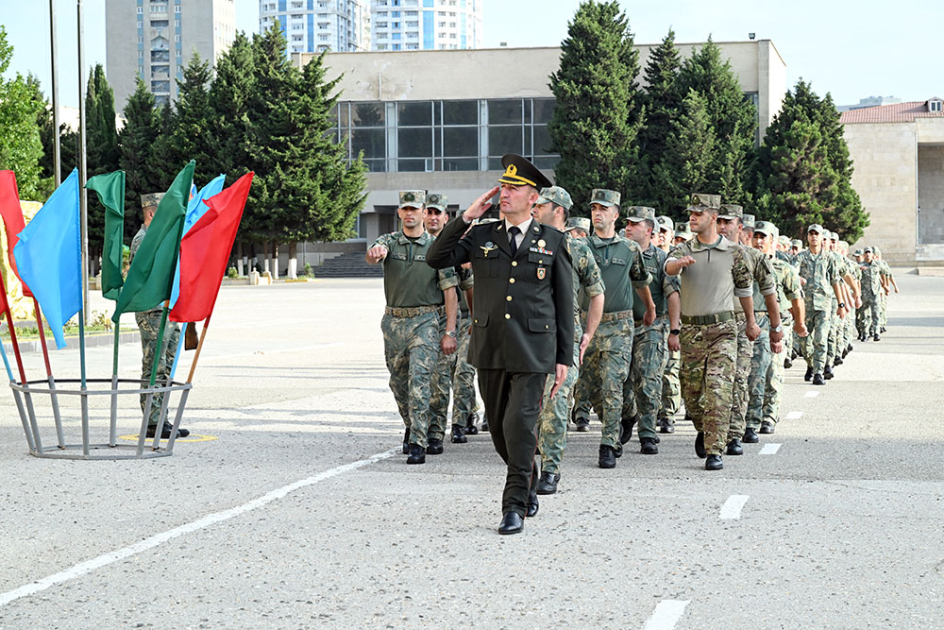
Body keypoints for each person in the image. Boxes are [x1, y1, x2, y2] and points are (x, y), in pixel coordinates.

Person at [427, 154, 573, 535]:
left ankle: (513, 506)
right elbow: (435, 257)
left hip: (534, 350)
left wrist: (563, 357)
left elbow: (564, 303)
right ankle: (528, 475)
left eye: (513, 188)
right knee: (498, 428)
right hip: (490, 346)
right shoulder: (481, 235)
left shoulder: (553, 241)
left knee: (520, 425)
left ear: (533, 198)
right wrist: (466, 218)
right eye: (503, 187)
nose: (504, 194)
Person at [665, 193, 761, 471]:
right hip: (692, 331)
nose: (692, 218)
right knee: (692, 393)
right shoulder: (684, 249)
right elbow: (667, 267)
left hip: (724, 330)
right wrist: (678, 266)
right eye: (690, 214)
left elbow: (744, 291)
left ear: (714, 218)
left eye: (698, 214)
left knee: (719, 390)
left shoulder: (735, 252)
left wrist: (752, 323)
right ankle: (702, 428)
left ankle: (714, 450)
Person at [366, 190, 459, 464]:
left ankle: (418, 441)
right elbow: (373, 256)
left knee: (419, 380)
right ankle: (412, 423)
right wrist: (375, 253)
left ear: (422, 211)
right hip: (393, 322)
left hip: (425, 321)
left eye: (414, 209)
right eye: (404, 209)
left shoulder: (436, 247)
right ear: (399, 213)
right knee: (398, 383)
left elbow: (450, 293)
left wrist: (449, 330)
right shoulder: (389, 242)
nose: (409, 214)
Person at [572, 189, 654, 469]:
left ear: (616, 214)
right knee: (588, 388)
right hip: (587, 325)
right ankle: (627, 414)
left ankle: (608, 443)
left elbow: (640, 281)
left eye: (604, 208)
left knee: (612, 384)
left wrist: (651, 309)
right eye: (594, 208)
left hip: (620, 325)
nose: (598, 213)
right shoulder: (581, 247)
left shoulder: (629, 249)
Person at [531, 186, 604, 494]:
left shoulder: (576, 248)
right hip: (527, 334)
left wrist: (587, 333)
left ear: (557, 210)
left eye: (540, 204)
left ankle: (550, 469)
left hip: (562, 335)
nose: (534, 208)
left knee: (556, 402)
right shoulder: (525, 243)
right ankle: (528, 462)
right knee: (525, 405)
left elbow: (596, 292)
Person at [715, 204, 780, 456]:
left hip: (742, 326)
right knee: (711, 384)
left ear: (739, 227)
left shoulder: (754, 257)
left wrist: (775, 327)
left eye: (728, 222)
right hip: (710, 326)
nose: (722, 226)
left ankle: (733, 434)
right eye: (719, 221)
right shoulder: (704, 254)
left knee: (739, 379)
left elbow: (770, 294)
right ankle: (709, 428)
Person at [621, 206, 679, 455]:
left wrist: (674, 331)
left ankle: (647, 432)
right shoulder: (618, 253)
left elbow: (673, 294)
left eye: (635, 224)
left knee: (648, 380)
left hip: (651, 327)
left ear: (649, 230)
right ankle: (628, 414)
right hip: (620, 326)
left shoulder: (661, 259)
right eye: (627, 223)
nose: (628, 227)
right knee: (619, 380)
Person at [423, 194, 478, 445]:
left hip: (463, 319)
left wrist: (474, 322)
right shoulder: (415, 244)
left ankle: (459, 422)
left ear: (447, 218)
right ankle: (436, 425)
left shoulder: (457, 245)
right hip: (429, 322)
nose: (434, 218)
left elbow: (468, 286)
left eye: (439, 214)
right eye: (430, 213)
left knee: (463, 372)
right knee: (437, 377)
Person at [133, 193, 189, 439]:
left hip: (167, 309)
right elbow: (148, 274)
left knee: (164, 366)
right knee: (154, 366)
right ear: (152, 213)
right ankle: (152, 422)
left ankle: (161, 419)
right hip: (153, 311)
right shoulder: (143, 240)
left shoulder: (159, 238)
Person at [745, 222, 805, 440]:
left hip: (777, 323)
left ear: (774, 242)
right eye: (756, 237)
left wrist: (800, 323)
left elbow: (796, 299)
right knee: (753, 372)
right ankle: (751, 419)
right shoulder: (745, 265)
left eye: (764, 237)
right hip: (751, 322)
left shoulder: (784, 268)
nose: (759, 241)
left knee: (773, 372)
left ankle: (769, 416)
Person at [796, 224, 848, 386]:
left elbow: (835, 281)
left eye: (816, 234)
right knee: (803, 341)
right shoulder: (801, 257)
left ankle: (818, 371)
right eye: (811, 234)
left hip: (824, 306)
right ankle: (811, 364)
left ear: (821, 237)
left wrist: (841, 303)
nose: (813, 237)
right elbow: (792, 273)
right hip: (804, 306)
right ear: (808, 237)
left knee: (821, 339)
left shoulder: (829, 258)